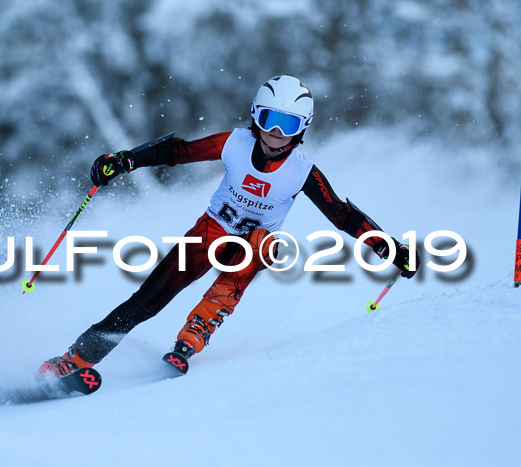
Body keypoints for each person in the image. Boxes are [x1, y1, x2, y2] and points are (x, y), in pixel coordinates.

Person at [38, 75, 418, 378]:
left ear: (302, 129)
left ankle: (193, 336)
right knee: (148, 300)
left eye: (288, 125)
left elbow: (341, 214)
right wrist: (126, 161)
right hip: (212, 230)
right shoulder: (232, 144)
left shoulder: (302, 172)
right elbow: (178, 151)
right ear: (256, 116)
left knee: (260, 248)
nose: (276, 134)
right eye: (270, 120)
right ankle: (77, 358)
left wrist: (388, 247)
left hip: (255, 243)